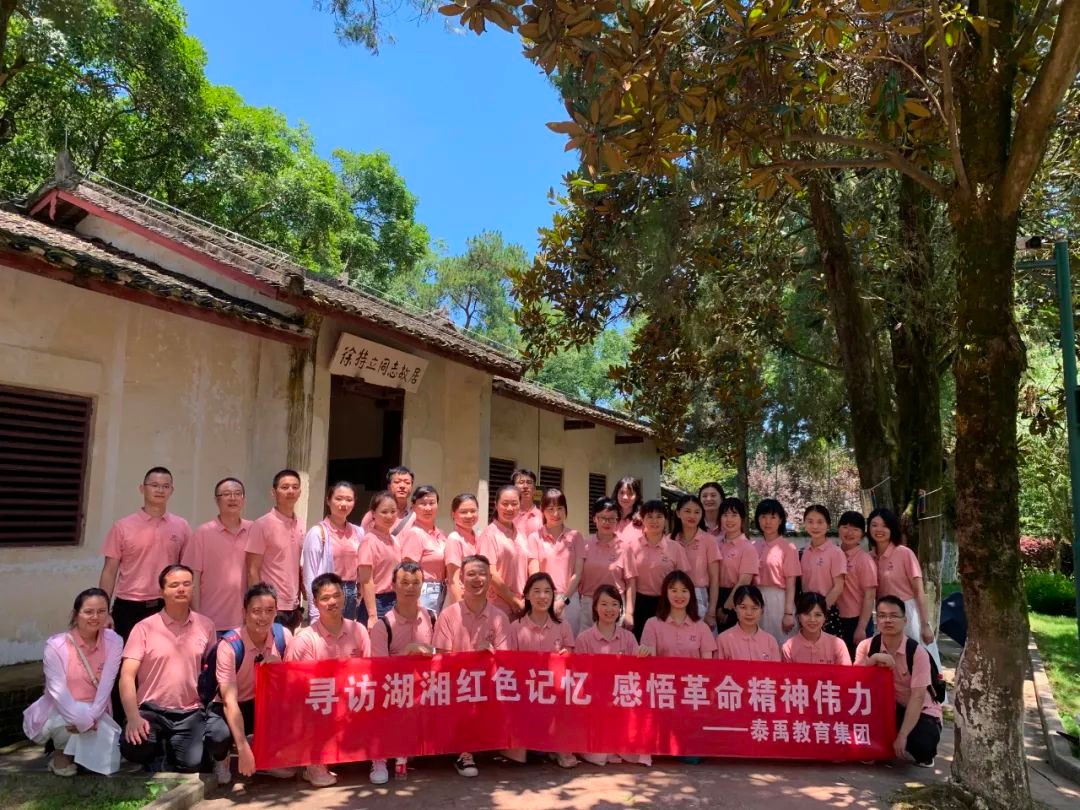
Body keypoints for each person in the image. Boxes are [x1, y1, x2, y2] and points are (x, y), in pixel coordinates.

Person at [118, 565, 227, 775]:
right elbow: (127, 676)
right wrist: (132, 717)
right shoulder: (144, 628)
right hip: (151, 709)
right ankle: (155, 753)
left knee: (191, 765)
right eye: (174, 585)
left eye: (186, 584)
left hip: (189, 711)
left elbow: (212, 672)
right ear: (162, 591)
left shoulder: (206, 625)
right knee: (135, 747)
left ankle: (174, 754)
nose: (181, 589)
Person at [23, 588, 123, 776]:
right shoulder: (56, 646)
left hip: (97, 713)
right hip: (62, 712)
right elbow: (58, 693)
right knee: (68, 722)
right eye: (88, 611)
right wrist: (83, 721)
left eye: (101, 611)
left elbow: (106, 686)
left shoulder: (114, 641)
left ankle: (77, 754)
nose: (95, 617)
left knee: (101, 768)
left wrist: (91, 717)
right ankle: (61, 752)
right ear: (75, 614)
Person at [285, 572, 372, 787]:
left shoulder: (359, 631)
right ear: (315, 603)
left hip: (352, 701)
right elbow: (296, 687)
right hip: (319, 704)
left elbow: (369, 673)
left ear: (345, 596)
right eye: (325, 598)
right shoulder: (305, 639)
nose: (332, 602)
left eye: (336, 595)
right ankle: (314, 764)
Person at [204, 583, 293, 784]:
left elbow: (296, 685)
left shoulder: (283, 637)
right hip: (230, 705)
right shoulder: (229, 646)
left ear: (276, 611)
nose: (263, 617)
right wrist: (242, 748)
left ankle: (263, 753)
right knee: (218, 736)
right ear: (244, 613)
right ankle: (223, 757)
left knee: (296, 715)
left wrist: (281, 669)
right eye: (256, 611)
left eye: (269, 611)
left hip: (263, 705)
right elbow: (229, 701)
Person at [432, 555, 511, 778]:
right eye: (472, 574)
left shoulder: (500, 618)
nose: (478, 579)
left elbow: (505, 662)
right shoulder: (448, 615)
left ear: (490, 579)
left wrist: (491, 655)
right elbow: (443, 661)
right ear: (461, 580)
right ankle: (463, 751)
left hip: (488, 683)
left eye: (483, 574)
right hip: (458, 684)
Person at [99, 467, 192, 642]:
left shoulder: (182, 526)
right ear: (142, 488)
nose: (160, 490)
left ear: (171, 491)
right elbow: (109, 571)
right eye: (154, 485)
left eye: (165, 486)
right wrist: (103, 611)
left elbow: (186, 570)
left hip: (167, 604)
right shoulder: (122, 527)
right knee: (127, 657)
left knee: (163, 656)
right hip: (129, 606)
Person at [369, 562, 436, 784]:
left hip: (426, 690)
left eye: (416, 583)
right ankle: (379, 757)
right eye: (404, 582)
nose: (410, 588)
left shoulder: (432, 618)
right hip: (394, 693)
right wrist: (405, 655)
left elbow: (444, 656)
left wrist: (430, 652)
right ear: (393, 585)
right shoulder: (383, 626)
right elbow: (379, 672)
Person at [855, 595, 942, 767]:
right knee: (865, 747)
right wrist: (872, 661)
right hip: (883, 709)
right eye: (882, 615)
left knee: (922, 747)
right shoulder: (866, 646)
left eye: (894, 616)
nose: (887, 620)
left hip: (919, 709)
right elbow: (855, 683)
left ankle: (906, 739)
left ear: (905, 620)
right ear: (877, 620)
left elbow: (917, 697)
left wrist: (902, 735)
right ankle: (884, 743)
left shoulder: (917, 653)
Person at [506, 572, 578, 768]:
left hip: (554, 693)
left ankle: (559, 746)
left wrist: (566, 656)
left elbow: (571, 660)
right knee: (519, 758)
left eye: (547, 592)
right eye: (536, 591)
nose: (542, 596)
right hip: (524, 693)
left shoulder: (563, 626)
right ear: (527, 596)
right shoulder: (515, 628)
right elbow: (509, 666)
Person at [573, 585, 647, 767]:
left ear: (620, 608)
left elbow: (638, 673)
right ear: (595, 607)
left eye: (614, 604)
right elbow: (579, 677)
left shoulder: (629, 638)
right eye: (604, 604)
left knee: (636, 753)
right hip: (594, 704)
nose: (609, 609)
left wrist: (645, 654)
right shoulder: (583, 639)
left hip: (622, 702)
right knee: (598, 756)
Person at [183, 478, 251, 635]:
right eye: (226, 494)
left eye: (237, 494)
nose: (233, 498)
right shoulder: (203, 533)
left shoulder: (254, 530)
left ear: (243, 499)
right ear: (216, 500)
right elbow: (193, 578)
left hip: (245, 623)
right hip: (210, 623)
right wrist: (197, 618)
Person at [244, 470, 304, 631]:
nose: (290, 491)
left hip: (294, 606)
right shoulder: (261, 525)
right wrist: (259, 605)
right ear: (273, 492)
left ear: (300, 492)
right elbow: (252, 570)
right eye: (285, 487)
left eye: (295, 487)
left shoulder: (300, 525)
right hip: (270, 606)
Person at [868, 507, 935, 646]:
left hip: (907, 612)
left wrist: (925, 625)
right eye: (874, 525)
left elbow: (919, 591)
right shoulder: (869, 558)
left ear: (892, 528)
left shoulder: (904, 553)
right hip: (884, 615)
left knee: (915, 654)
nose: (879, 529)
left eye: (885, 526)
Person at [625, 500, 690, 639]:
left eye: (659, 516)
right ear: (642, 519)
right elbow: (630, 581)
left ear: (665, 520)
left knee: (666, 642)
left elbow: (683, 582)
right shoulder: (632, 546)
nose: (654, 521)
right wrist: (629, 612)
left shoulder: (675, 548)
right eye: (649, 517)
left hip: (667, 603)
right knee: (641, 643)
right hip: (640, 602)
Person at [302, 481, 362, 622]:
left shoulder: (358, 532)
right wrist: (314, 609)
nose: (344, 504)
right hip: (328, 593)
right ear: (328, 500)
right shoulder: (317, 533)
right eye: (338, 499)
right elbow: (309, 575)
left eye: (349, 499)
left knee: (346, 633)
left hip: (351, 593)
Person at [528, 489, 585, 631]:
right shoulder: (534, 537)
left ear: (566, 510)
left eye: (560, 508)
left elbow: (577, 574)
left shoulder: (576, 536)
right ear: (543, 511)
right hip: (543, 598)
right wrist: (545, 597)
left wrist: (563, 601)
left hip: (570, 599)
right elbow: (535, 574)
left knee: (570, 640)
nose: (556, 513)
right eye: (551, 509)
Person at [577, 497, 637, 631]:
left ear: (617, 521)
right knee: (586, 642)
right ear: (594, 519)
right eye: (603, 518)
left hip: (614, 605)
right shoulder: (585, 545)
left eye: (612, 519)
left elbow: (631, 583)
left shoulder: (625, 548)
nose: (607, 522)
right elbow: (578, 576)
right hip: (588, 604)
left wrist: (629, 613)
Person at [477, 484, 535, 617]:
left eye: (514, 504)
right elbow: (490, 572)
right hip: (498, 606)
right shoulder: (489, 534)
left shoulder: (521, 533)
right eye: (505, 504)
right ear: (496, 505)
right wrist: (513, 600)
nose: (509, 508)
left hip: (522, 604)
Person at [639, 570, 718, 659]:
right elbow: (650, 660)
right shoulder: (652, 624)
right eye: (674, 591)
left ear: (691, 594)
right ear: (666, 593)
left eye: (684, 591)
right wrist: (643, 653)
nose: (679, 595)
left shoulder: (702, 627)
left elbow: (707, 664)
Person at [752, 498, 800, 645]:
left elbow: (791, 583)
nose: (767, 522)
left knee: (780, 644)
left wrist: (788, 613)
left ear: (780, 520)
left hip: (779, 601)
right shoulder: (752, 546)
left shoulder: (788, 548)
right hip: (755, 600)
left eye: (773, 517)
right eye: (763, 517)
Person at [670, 494, 720, 630]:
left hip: (699, 596)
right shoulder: (670, 540)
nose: (692, 516)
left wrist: (711, 611)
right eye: (687, 511)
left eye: (697, 512)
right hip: (673, 596)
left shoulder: (709, 541)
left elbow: (714, 579)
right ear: (678, 513)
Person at [357, 491, 403, 629]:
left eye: (393, 511)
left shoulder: (394, 540)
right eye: (384, 512)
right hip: (377, 603)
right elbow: (366, 580)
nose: (389, 516)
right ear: (373, 514)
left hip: (394, 601)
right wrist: (372, 615)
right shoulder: (369, 541)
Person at [399, 485, 448, 614]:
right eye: (422, 503)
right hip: (423, 591)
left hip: (442, 590)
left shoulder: (442, 534)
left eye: (432, 503)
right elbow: (408, 569)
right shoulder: (415, 533)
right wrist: (415, 600)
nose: (428, 508)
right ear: (414, 507)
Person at [799, 504, 846, 636]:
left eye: (820, 522)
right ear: (804, 524)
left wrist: (821, 611)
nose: (815, 526)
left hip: (826, 611)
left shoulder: (835, 552)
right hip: (806, 612)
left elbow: (838, 587)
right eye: (810, 521)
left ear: (828, 525)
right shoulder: (802, 552)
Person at [837, 511, 878, 658]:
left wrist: (861, 628)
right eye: (845, 527)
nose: (849, 533)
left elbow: (870, 596)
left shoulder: (864, 560)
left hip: (856, 620)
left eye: (855, 529)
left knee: (858, 663)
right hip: (834, 617)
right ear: (838, 529)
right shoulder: (833, 554)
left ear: (862, 534)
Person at [715, 497, 759, 632]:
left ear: (742, 519)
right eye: (725, 515)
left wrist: (726, 608)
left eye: (734, 515)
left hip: (735, 598)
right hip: (714, 595)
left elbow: (744, 581)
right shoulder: (715, 543)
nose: (729, 519)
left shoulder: (748, 548)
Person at [781, 592, 851, 665]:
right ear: (798, 617)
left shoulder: (838, 645)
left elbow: (846, 671)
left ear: (825, 617)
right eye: (807, 614)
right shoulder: (788, 648)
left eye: (817, 615)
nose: (812, 619)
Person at [716, 585, 782, 662]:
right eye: (743, 607)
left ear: (762, 610)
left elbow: (775, 669)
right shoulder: (723, 640)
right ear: (735, 608)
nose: (749, 613)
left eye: (754, 608)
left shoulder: (770, 641)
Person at [444, 493, 480, 606]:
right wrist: (461, 609)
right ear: (453, 514)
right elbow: (453, 580)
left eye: (473, 511)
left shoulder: (479, 537)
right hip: (462, 600)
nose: (469, 515)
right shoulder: (454, 539)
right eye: (463, 512)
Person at [361, 466, 416, 536]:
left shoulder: (416, 516)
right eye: (397, 482)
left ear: (411, 487)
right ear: (389, 486)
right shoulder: (373, 516)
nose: (402, 486)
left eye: (407, 483)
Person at [511, 468, 543, 538]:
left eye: (529, 482)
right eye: (521, 482)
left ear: (534, 489)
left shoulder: (543, 516)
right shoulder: (508, 515)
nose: (525, 486)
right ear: (513, 488)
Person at [612, 476, 644, 546]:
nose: (625, 497)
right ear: (616, 494)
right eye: (622, 492)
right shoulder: (610, 518)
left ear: (637, 497)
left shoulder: (643, 521)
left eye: (630, 494)